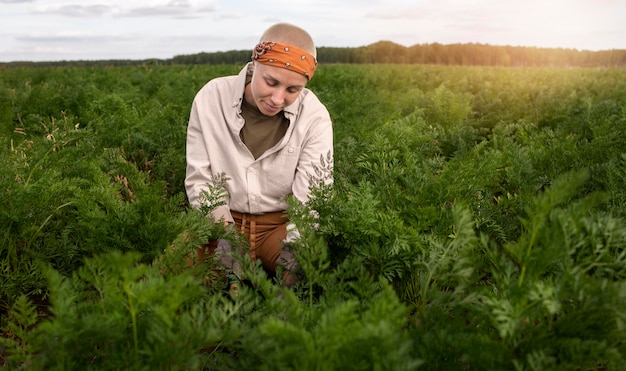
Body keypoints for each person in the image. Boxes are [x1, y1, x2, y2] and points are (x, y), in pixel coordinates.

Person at [184, 23, 333, 293]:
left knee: (314, 276)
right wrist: (226, 239)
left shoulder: (314, 116)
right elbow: (200, 179)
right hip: (223, 221)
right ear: (255, 62)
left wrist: (294, 260)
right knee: (168, 274)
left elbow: (311, 197)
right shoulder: (211, 98)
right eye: (271, 82)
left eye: (292, 90)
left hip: (279, 227)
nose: (277, 98)